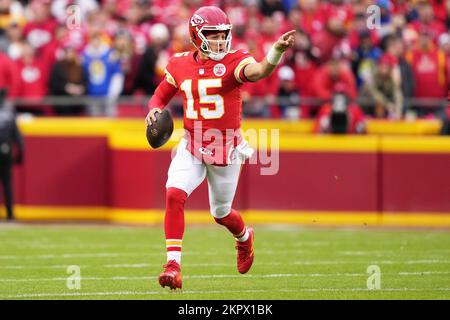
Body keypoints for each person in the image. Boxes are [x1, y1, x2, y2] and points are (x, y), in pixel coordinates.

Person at [144, 6, 295, 290]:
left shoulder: (235, 60)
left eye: (222, 35)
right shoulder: (179, 63)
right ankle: (173, 266)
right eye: (212, 36)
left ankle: (244, 238)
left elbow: (260, 70)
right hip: (192, 141)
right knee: (174, 194)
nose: (219, 42)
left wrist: (275, 50)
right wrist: (153, 110)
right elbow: (160, 95)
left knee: (221, 212)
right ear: (196, 36)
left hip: (226, 147)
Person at [0, 88, 24, 221]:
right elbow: (17, 135)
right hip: (6, 151)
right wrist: (20, 154)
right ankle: (10, 214)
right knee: (7, 183)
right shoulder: (9, 112)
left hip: (5, 150)